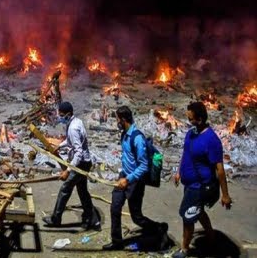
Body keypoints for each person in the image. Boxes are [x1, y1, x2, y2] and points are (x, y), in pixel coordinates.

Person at [103, 105, 168, 251]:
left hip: (135, 181)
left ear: (123, 119)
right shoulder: (124, 134)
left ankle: (159, 229)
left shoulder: (137, 138)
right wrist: (123, 175)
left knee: (136, 217)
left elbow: (144, 165)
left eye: (117, 119)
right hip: (124, 175)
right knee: (115, 208)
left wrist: (128, 179)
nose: (116, 122)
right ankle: (116, 242)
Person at [172, 102, 232, 258]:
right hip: (189, 183)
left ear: (199, 119)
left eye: (190, 118)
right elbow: (186, 153)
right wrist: (179, 172)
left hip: (200, 186)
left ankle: (184, 249)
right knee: (197, 211)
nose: (188, 120)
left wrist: (225, 195)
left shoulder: (212, 140)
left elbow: (219, 170)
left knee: (187, 215)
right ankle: (211, 236)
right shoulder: (191, 133)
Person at [42, 101, 100, 230]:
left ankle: (55, 219)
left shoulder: (73, 128)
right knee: (82, 191)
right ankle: (91, 219)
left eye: (62, 115)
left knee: (65, 189)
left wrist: (68, 170)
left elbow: (78, 152)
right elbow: (70, 141)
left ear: (68, 114)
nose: (60, 117)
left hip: (80, 164)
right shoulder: (76, 122)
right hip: (85, 162)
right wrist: (59, 145)